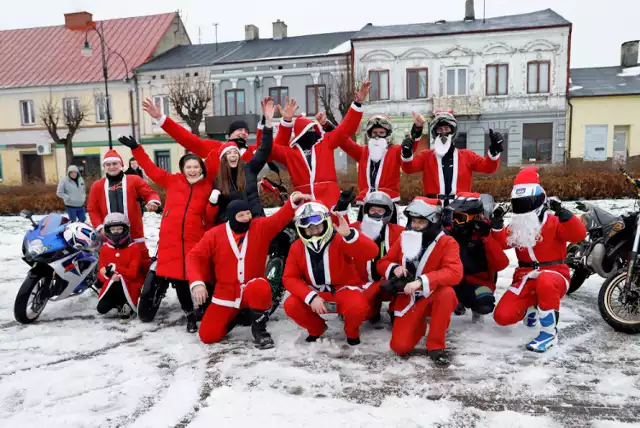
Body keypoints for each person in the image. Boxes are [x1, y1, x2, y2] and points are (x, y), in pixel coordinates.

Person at [118, 135, 217, 333]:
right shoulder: (172, 181)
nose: (192, 170)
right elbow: (151, 169)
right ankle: (189, 315)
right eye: (188, 167)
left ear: (201, 168)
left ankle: (205, 311)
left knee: (200, 276)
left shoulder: (208, 186)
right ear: (182, 168)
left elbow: (209, 217)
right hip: (170, 240)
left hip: (195, 240)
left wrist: (213, 204)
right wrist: (137, 149)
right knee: (179, 280)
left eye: (196, 167)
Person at [187, 192, 311, 349]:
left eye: (248, 214)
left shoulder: (260, 227)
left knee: (260, 286)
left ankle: (259, 330)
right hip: (225, 293)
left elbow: (279, 219)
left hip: (253, 288)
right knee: (208, 336)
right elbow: (194, 257)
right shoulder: (214, 234)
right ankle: (238, 316)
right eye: (241, 215)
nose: (246, 218)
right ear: (231, 218)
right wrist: (197, 283)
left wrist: (292, 202)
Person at [491, 167, 586, 352]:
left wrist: (565, 215)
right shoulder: (517, 225)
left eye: (528, 202)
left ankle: (549, 333)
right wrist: (496, 224)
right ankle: (532, 306)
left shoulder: (553, 221)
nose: (524, 208)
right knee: (502, 317)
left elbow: (578, 235)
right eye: (519, 204)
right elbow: (503, 242)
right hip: (525, 277)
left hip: (555, 275)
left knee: (545, 280)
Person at [377, 197, 462, 367]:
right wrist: (394, 268)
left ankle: (436, 345)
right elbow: (382, 263)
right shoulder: (404, 237)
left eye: (420, 222)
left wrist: (422, 282)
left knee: (447, 293)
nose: (414, 225)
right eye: (413, 221)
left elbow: (455, 272)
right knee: (400, 347)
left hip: (432, 294)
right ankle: (418, 324)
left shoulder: (447, 242)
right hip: (407, 298)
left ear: (433, 221)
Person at [283, 202, 378, 346]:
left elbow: (372, 252)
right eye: (309, 229)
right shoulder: (296, 247)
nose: (314, 232)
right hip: (316, 293)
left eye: (317, 227)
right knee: (291, 304)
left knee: (357, 306)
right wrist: (311, 297)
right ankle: (316, 329)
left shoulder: (340, 239)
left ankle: (351, 332)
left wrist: (350, 235)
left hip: (344, 290)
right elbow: (290, 277)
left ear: (326, 223)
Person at [267, 83, 371, 209]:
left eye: (312, 129)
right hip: (305, 206)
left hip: (330, 203)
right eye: (308, 130)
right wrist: (285, 123)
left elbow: (345, 129)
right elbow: (269, 150)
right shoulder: (290, 152)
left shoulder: (326, 142)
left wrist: (357, 103)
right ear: (300, 134)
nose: (311, 133)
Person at [320, 111, 424, 222]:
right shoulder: (362, 152)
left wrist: (417, 128)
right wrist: (326, 125)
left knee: (389, 236)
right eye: (374, 133)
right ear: (370, 134)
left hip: (388, 202)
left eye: (381, 132)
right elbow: (344, 142)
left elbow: (409, 149)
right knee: (363, 236)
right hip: (366, 203)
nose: (377, 136)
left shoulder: (395, 151)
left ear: (387, 134)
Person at [401, 110, 504, 205]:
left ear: (453, 131)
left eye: (446, 128)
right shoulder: (426, 156)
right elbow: (408, 169)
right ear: (435, 133)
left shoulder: (467, 156)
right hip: (433, 207)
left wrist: (494, 150)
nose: (443, 132)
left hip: (461, 207)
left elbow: (488, 167)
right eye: (440, 129)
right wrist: (406, 153)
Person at [87, 150, 161, 275]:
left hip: (134, 232)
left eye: (115, 163)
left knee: (142, 263)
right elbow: (92, 209)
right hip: (110, 234)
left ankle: (145, 290)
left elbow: (150, 193)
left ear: (121, 165)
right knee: (114, 264)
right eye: (108, 164)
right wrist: (100, 228)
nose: (112, 167)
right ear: (104, 167)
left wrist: (152, 202)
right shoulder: (97, 185)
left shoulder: (134, 180)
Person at [208, 98, 276, 224]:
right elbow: (218, 210)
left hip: (256, 221)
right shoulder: (219, 179)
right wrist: (213, 202)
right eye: (228, 153)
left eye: (235, 152)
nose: (233, 155)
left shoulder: (249, 168)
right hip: (233, 226)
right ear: (223, 158)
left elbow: (265, 149)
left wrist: (268, 123)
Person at [444, 193, 509, 322]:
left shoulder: (483, 234)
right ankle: (455, 302)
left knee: (484, 304)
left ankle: (474, 308)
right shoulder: (449, 231)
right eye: (454, 217)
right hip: (452, 280)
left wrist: (486, 238)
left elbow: (501, 264)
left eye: (460, 218)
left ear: (474, 217)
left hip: (477, 281)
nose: (455, 222)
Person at [143, 99, 256, 163]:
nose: (244, 133)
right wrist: (161, 118)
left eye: (246, 131)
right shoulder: (214, 147)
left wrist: (268, 123)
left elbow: (271, 148)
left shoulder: (253, 151)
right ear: (230, 134)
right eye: (239, 130)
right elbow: (187, 139)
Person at [349, 192, 404, 323]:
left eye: (380, 211)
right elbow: (335, 234)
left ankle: (396, 309)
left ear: (388, 213)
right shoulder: (354, 229)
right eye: (372, 210)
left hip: (389, 284)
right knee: (364, 315)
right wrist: (340, 210)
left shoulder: (399, 232)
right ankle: (370, 308)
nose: (375, 214)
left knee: (403, 281)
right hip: (363, 284)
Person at [96, 213, 145, 323]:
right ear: (108, 230)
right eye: (113, 229)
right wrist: (109, 275)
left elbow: (132, 274)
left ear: (126, 229)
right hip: (112, 284)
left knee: (122, 285)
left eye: (120, 229)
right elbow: (101, 274)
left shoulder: (134, 248)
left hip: (131, 284)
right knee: (101, 308)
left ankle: (128, 305)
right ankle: (120, 304)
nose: (117, 232)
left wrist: (114, 268)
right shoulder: (105, 249)